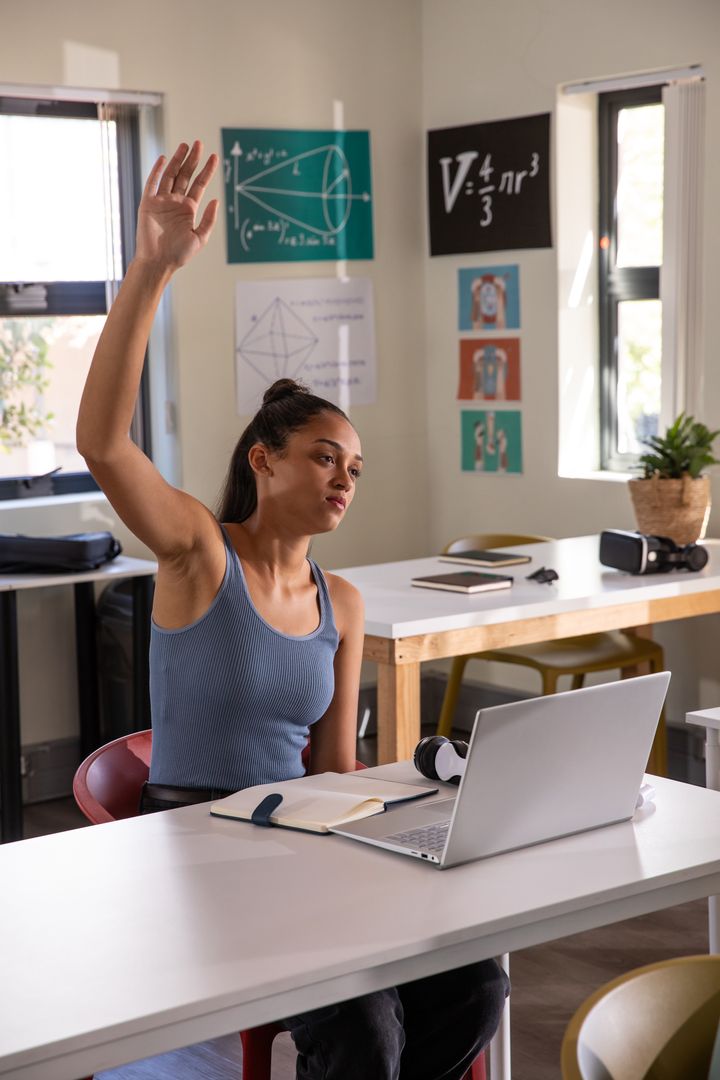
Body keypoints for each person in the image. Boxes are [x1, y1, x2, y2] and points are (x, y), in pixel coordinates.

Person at [77, 140, 508, 1080]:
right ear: (264, 460)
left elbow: (336, 774)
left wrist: (423, 809)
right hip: (202, 851)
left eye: (354, 467)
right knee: (363, 1024)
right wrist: (152, 267)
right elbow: (103, 441)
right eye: (323, 456)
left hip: (303, 846)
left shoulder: (340, 603)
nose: (344, 477)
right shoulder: (196, 552)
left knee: (474, 980)